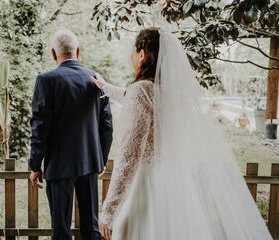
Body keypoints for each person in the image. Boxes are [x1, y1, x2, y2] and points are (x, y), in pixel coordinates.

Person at [91, 27, 272, 240]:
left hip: (145, 191)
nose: (130, 55)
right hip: (177, 189)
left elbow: (129, 156)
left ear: (142, 54)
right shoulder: (175, 94)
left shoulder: (141, 91)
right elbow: (132, 95)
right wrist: (106, 87)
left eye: (132, 50)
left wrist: (109, 210)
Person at [29, 29, 113, 240]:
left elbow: (40, 126)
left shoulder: (46, 80)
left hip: (59, 165)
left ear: (53, 53)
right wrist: (101, 158)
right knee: (91, 227)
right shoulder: (96, 79)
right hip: (90, 163)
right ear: (78, 51)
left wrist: (34, 165)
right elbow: (107, 125)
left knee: (61, 229)